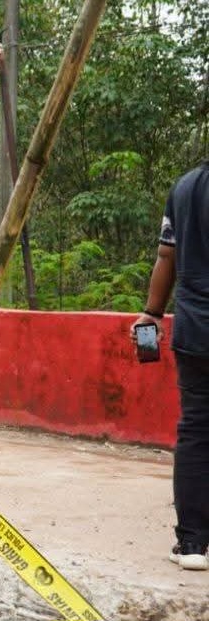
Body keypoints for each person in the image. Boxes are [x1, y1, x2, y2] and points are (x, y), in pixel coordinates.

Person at [132, 159, 209, 571]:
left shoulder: (186, 187)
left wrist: (151, 314)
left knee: (196, 431)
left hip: (195, 332)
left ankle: (193, 544)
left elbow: (167, 255)